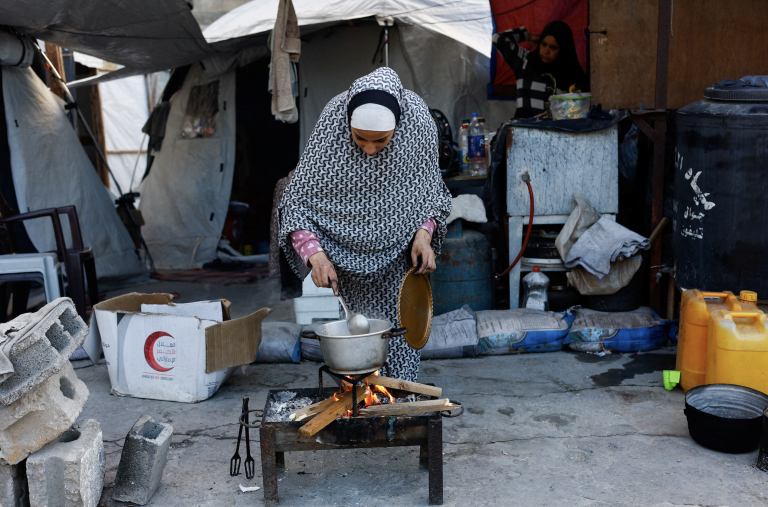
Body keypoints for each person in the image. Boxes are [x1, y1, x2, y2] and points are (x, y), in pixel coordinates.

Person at [278, 67, 452, 381]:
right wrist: (316, 256)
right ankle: (361, 398)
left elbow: (431, 192)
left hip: (401, 255)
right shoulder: (334, 120)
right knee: (358, 355)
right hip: (345, 257)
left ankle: (397, 402)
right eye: (360, 138)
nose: (369, 149)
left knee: (399, 344)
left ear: (398, 128)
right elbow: (297, 200)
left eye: (381, 141)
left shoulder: (419, 123)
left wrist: (424, 234)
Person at [493, 20, 588, 118]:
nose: (546, 51)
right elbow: (498, 39)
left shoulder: (571, 75)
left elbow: (578, 111)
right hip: (522, 129)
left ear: (563, 50)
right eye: (543, 44)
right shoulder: (525, 61)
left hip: (552, 131)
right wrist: (528, 36)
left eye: (553, 47)